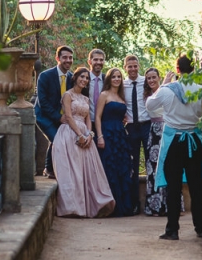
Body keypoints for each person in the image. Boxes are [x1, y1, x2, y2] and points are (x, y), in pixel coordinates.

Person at [146, 55, 202, 240]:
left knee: (173, 187)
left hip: (174, 142)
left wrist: (163, 84)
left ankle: (172, 230)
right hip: (193, 141)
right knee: (196, 186)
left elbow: (149, 105)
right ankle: (201, 228)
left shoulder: (167, 90)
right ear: (193, 69)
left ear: (177, 70)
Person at [51, 67, 116, 218]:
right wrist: (79, 135)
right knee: (73, 171)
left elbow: (88, 119)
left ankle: (89, 207)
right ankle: (73, 208)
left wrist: (89, 135)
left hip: (85, 136)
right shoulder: (68, 95)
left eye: (87, 78)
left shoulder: (86, 99)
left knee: (86, 171)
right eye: (82, 77)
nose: (84, 80)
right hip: (69, 134)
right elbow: (68, 116)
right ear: (75, 78)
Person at [95, 67, 139, 216]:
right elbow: (98, 117)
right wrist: (100, 136)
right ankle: (110, 207)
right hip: (107, 133)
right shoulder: (104, 95)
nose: (116, 79)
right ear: (109, 79)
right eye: (113, 77)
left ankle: (123, 206)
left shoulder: (121, 97)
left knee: (122, 167)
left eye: (119, 77)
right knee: (109, 167)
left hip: (120, 134)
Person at [143, 67, 185, 217]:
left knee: (171, 167)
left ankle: (172, 206)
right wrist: (164, 84)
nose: (151, 80)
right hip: (154, 133)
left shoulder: (168, 91)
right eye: (149, 78)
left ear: (159, 77)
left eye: (154, 77)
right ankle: (156, 206)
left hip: (168, 130)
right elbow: (152, 104)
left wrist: (166, 84)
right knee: (154, 168)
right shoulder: (148, 95)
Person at [34, 46, 74, 179]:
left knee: (58, 139)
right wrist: (58, 117)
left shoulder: (72, 78)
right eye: (65, 57)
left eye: (70, 58)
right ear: (58, 58)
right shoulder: (45, 76)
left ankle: (49, 168)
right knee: (57, 139)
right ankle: (50, 168)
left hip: (63, 116)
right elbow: (43, 102)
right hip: (44, 116)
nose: (68, 60)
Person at [122, 55, 150, 210]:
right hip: (131, 127)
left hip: (146, 125)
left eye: (135, 66)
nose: (133, 69)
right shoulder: (122, 84)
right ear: (125, 67)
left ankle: (152, 202)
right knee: (132, 165)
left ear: (138, 66)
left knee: (150, 161)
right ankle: (134, 203)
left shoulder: (145, 82)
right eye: (130, 66)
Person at [87, 48, 107, 121]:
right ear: (89, 62)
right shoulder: (83, 79)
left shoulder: (108, 80)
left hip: (104, 122)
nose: (98, 62)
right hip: (86, 122)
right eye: (95, 60)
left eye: (101, 60)